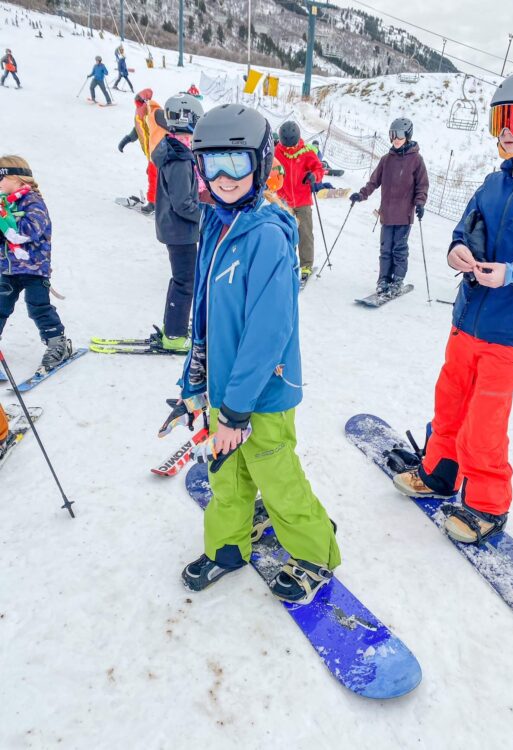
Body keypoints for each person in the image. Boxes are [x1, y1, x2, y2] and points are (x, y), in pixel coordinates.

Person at [175, 104, 340, 602]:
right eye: (213, 164)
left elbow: (268, 334)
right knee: (226, 473)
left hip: (261, 393)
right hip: (225, 391)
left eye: (238, 164)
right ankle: (229, 545)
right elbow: (203, 312)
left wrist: (236, 409)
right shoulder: (217, 223)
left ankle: (315, 553)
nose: (225, 178)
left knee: (275, 473)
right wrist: (195, 383)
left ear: (261, 163)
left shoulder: (267, 235)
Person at [392, 68, 513, 544]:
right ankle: (440, 473)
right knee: (449, 405)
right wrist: (456, 252)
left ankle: (488, 503)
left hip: (511, 328)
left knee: (485, 422)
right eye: (499, 120)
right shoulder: (492, 182)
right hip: (466, 318)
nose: (506, 130)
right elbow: (462, 231)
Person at [0, 156, 73, 372]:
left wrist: (6, 225)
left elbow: (28, 231)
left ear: (17, 178)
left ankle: (58, 343)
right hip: (7, 268)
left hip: (34, 269)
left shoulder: (33, 202)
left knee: (38, 306)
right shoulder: (5, 204)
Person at [146, 93, 203, 352]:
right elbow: (183, 203)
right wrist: (203, 216)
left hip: (175, 228)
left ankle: (174, 326)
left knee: (181, 279)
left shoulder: (176, 150)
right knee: (185, 282)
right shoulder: (180, 158)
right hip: (181, 230)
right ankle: (175, 335)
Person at [350, 117, 428, 295]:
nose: (395, 140)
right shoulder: (386, 159)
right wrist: (361, 194)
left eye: (399, 135)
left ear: (407, 135)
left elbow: (422, 185)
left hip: (403, 215)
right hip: (387, 214)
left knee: (399, 250)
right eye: (392, 136)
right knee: (385, 249)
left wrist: (420, 203)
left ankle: (397, 280)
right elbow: (374, 182)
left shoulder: (416, 160)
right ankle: (384, 279)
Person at [275, 121, 324, 283]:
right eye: (286, 146)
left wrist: (314, 176)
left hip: (302, 200)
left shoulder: (306, 152)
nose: (289, 149)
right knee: (286, 234)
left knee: (305, 234)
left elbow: (319, 169)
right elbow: (269, 168)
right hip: (283, 201)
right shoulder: (277, 152)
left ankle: (306, 265)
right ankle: (288, 262)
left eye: (292, 145)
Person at [118, 89, 158, 214]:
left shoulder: (152, 112)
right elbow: (138, 129)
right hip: (151, 153)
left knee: (154, 176)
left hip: (157, 152)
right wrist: (126, 140)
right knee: (153, 175)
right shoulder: (141, 113)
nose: (137, 104)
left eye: (139, 101)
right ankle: (160, 200)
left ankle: (153, 203)